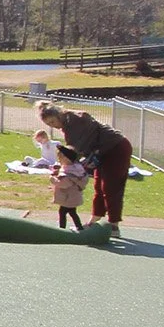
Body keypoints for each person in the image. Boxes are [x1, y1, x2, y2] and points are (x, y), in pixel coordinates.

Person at [37, 99, 133, 235]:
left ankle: (113, 226)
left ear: (59, 115)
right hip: (101, 153)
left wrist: (65, 167)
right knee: (99, 187)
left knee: (111, 187)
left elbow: (75, 150)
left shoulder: (75, 119)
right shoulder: (67, 124)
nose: (53, 126)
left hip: (116, 148)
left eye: (53, 122)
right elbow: (73, 151)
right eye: (49, 124)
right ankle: (94, 220)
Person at [51, 145, 89, 230]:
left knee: (62, 212)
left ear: (65, 159)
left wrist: (53, 179)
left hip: (68, 198)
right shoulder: (77, 169)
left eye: (60, 158)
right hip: (74, 196)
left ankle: (62, 228)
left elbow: (64, 184)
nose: (59, 160)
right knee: (72, 212)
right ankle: (78, 227)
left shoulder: (69, 173)